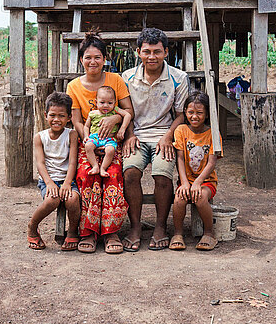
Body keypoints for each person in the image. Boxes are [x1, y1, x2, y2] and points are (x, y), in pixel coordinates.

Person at [121, 28, 189, 251]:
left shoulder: (178, 78)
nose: (152, 57)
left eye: (157, 52)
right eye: (147, 51)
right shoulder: (128, 77)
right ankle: (135, 226)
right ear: (138, 52)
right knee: (130, 173)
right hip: (137, 135)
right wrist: (129, 135)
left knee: (162, 174)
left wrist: (169, 137)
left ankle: (161, 226)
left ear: (166, 52)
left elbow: (182, 114)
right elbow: (125, 111)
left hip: (164, 135)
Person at [66, 34, 134, 254]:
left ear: (105, 58)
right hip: (88, 144)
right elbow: (76, 120)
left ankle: (111, 231)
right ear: (81, 60)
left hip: (112, 143)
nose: (92, 62)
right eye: (88, 57)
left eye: (97, 57)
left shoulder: (115, 80)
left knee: (113, 173)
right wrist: (88, 139)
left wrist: (115, 118)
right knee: (87, 174)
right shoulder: (74, 86)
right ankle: (88, 231)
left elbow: (128, 111)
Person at [28, 92, 81, 251]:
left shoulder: (71, 134)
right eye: (52, 115)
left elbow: (72, 162)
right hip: (48, 179)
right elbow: (40, 163)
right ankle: (32, 226)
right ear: (45, 115)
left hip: (68, 179)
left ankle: (72, 231)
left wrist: (66, 184)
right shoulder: (40, 137)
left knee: (72, 200)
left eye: (61, 116)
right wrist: (49, 183)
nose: (56, 119)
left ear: (69, 117)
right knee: (53, 200)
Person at [170, 91, 221, 251]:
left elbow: (212, 163)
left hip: (206, 182)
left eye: (199, 113)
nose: (195, 116)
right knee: (179, 199)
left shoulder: (213, 134)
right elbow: (180, 158)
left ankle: (209, 233)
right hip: (186, 180)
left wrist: (198, 183)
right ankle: (177, 233)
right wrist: (184, 182)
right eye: (191, 112)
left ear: (206, 114)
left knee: (199, 198)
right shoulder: (181, 130)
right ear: (185, 111)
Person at [83, 86, 132, 177]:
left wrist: (122, 129)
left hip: (109, 139)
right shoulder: (93, 114)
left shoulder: (115, 111)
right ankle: (95, 166)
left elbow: (128, 115)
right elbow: (86, 126)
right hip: (95, 137)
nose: (106, 105)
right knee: (88, 146)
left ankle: (103, 168)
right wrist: (86, 136)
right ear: (96, 102)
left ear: (114, 103)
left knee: (110, 150)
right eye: (102, 102)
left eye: (110, 103)